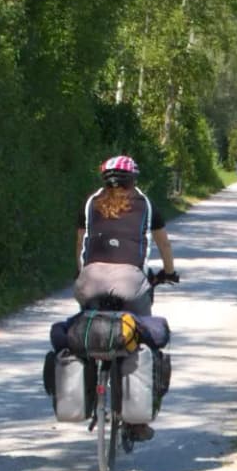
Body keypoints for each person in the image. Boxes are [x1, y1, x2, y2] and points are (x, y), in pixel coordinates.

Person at [72, 155, 176, 440]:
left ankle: (86, 392)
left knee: (87, 325)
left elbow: (80, 244)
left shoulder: (90, 203)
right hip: (130, 283)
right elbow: (163, 243)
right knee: (142, 336)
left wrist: (80, 274)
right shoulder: (145, 204)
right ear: (133, 179)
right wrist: (168, 272)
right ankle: (136, 420)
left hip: (90, 280)